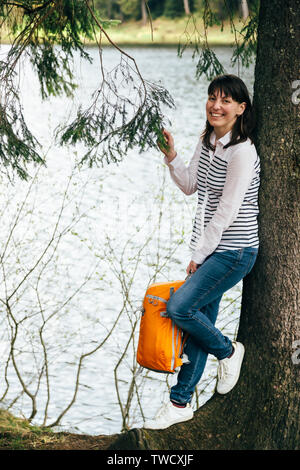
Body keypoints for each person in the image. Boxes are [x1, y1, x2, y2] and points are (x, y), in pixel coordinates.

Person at [143, 74, 260, 430]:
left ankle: (228, 351)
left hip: (235, 251)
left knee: (179, 307)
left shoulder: (243, 152)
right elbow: (191, 185)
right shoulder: (207, 141)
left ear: (241, 109)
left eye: (226, 101)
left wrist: (199, 253)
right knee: (196, 323)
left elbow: (227, 210)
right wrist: (172, 157)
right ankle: (179, 403)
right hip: (211, 250)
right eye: (212, 97)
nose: (216, 105)